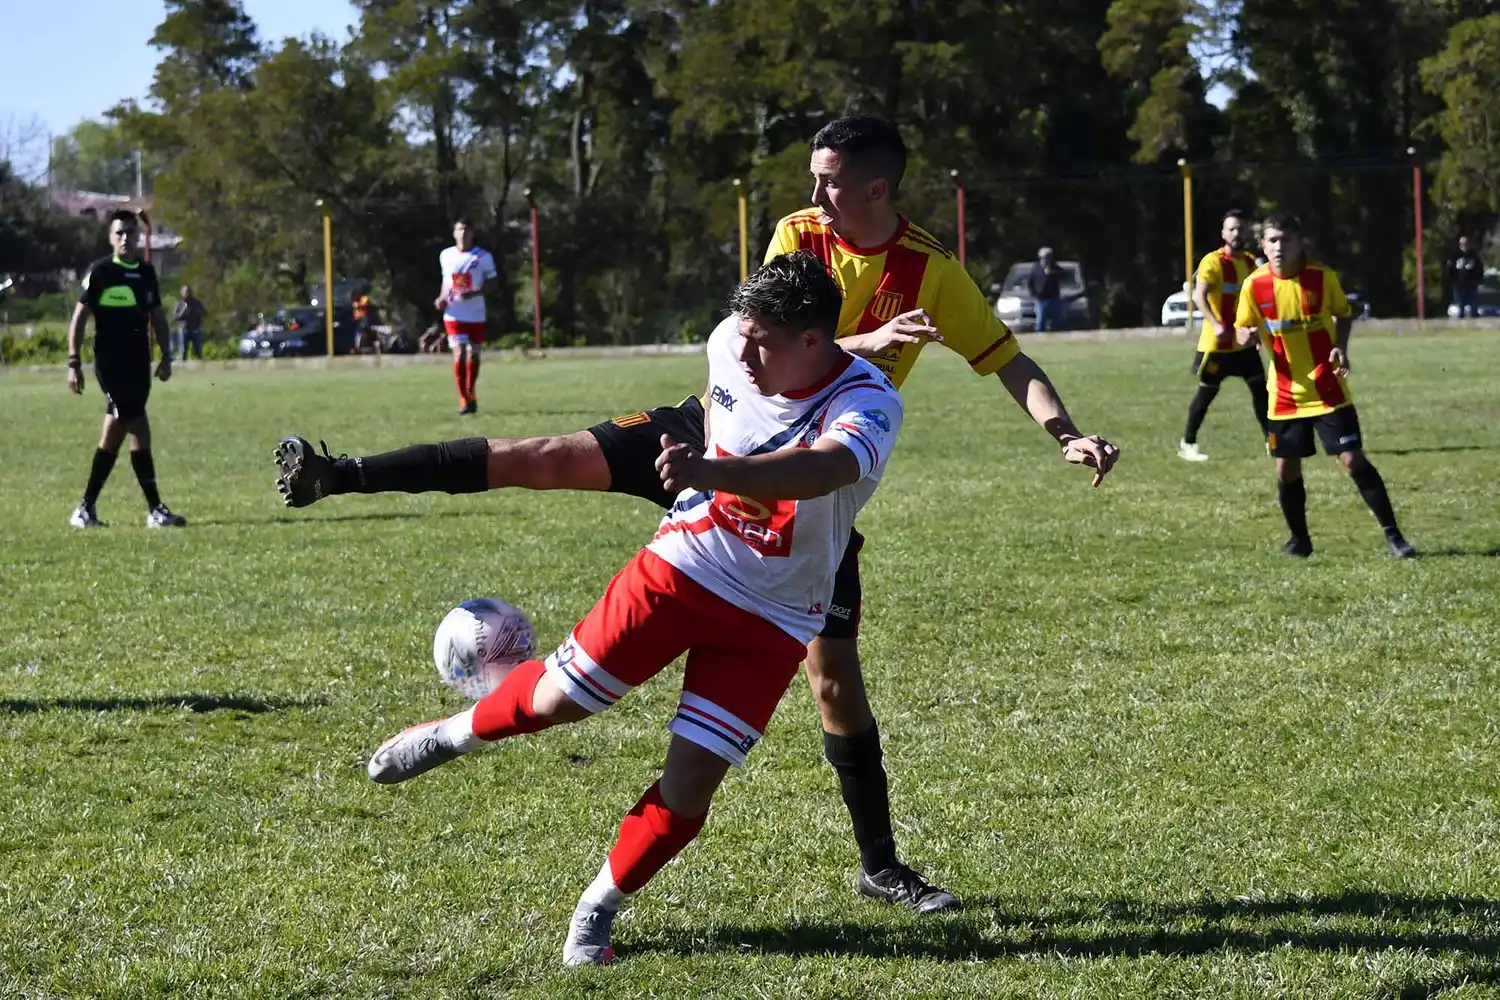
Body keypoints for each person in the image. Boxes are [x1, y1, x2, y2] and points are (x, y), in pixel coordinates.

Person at [276, 115, 1120, 912]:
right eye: (814, 180)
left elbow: (1007, 359)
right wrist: (864, 343)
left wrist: (1067, 435)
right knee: (538, 458)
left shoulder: (933, 270)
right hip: (712, 427)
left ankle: (880, 866)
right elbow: (779, 335)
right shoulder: (801, 233)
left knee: (836, 687)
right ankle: (340, 474)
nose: (815, 197)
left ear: (877, 189)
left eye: (830, 182)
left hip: (803, 483)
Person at [367, 252, 904, 966]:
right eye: (741, 330)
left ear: (812, 342)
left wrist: (710, 471)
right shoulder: (728, 343)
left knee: (687, 791)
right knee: (559, 702)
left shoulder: (870, 400)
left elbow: (825, 468)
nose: (741, 350)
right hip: (684, 566)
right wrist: (703, 476)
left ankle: (596, 909)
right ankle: (456, 732)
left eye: (762, 340)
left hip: (777, 616)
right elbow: (727, 403)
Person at [1233, 213, 1413, 558]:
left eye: (1286, 240)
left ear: (1300, 243)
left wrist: (1339, 347)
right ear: (1263, 245)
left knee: (1352, 459)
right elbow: (1244, 327)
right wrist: (1246, 334)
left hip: (1327, 388)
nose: (1279, 247)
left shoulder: (1321, 277)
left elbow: (1344, 313)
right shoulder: (1254, 286)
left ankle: (1395, 536)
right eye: (1272, 240)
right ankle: (1300, 541)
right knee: (1286, 468)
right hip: (1284, 393)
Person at [66, 210, 186, 529]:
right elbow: (79, 319)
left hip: (139, 365)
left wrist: (166, 356)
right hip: (110, 366)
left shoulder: (146, 273)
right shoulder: (101, 272)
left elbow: (158, 317)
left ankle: (86, 508)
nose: (125, 238)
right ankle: (155, 509)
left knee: (115, 433)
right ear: (110, 238)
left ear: (136, 236)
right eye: (118, 233)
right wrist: (73, 362)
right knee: (138, 427)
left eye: (130, 233)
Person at [1177, 209, 1270, 462]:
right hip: (1217, 345)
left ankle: (1271, 442)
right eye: (1231, 228)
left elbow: (1256, 302)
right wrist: (1215, 323)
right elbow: (1199, 296)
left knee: (1262, 392)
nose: (1237, 233)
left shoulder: (1251, 263)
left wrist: (1259, 333)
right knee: (1206, 394)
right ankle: (1188, 443)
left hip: (1243, 344)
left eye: (1240, 228)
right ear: (1223, 233)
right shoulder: (1213, 262)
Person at [438, 219, 498, 414]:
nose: (462, 232)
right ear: (454, 232)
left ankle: (471, 393)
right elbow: (446, 282)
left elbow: (493, 282)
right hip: (454, 312)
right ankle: (463, 398)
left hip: (475, 313)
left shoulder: (482, 256)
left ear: (472, 232)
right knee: (460, 351)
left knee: (474, 353)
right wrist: (440, 298)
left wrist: (474, 293)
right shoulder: (446, 255)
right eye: (459, 229)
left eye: (466, 229)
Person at [1445, 235, 1484, 319]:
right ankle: (1461, 319)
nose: (1464, 245)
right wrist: (1452, 280)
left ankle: (1474, 319)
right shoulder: (1455, 256)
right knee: (1460, 304)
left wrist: (1478, 279)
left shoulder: (1473, 255)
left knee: (1474, 304)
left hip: (1471, 283)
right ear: (1459, 244)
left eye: (1466, 243)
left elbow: (1479, 268)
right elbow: (1449, 269)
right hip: (1459, 284)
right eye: (1462, 244)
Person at [1029, 247, 1064, 332]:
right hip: (1041, 300)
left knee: (1057, 322)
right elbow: (1030, 283)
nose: (1047, 259)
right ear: (1040, 257)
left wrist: (1052, 273)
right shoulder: (1036, 269)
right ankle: (1040, 339)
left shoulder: (1055, 268)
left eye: (1049, 257)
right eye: (1045, 257)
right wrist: (1035, 294)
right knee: (1041, 321)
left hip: (1054, 298)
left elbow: (1063, 276)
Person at [173, 285, 206, 361]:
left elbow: (204, 312)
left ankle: (200, 365)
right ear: (182, 293)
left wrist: (198, 312)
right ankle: (183, 364)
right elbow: (175, 316)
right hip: (184, 328)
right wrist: (183, 313)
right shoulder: (180, 304)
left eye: (188, 291)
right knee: (183, 349)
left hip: (195, 328)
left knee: (197, 348)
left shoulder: (196, 303)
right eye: (185, 291)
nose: (186, 293)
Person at [351, 287, 381, 355]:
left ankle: (376, 348)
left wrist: (358, 306)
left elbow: (364, 305)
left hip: (365, 320)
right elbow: (355, 306)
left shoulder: (364, 299)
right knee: (359, 333)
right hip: (359, 321)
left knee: (365, 332)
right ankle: (357, 347)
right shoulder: (355, 302)